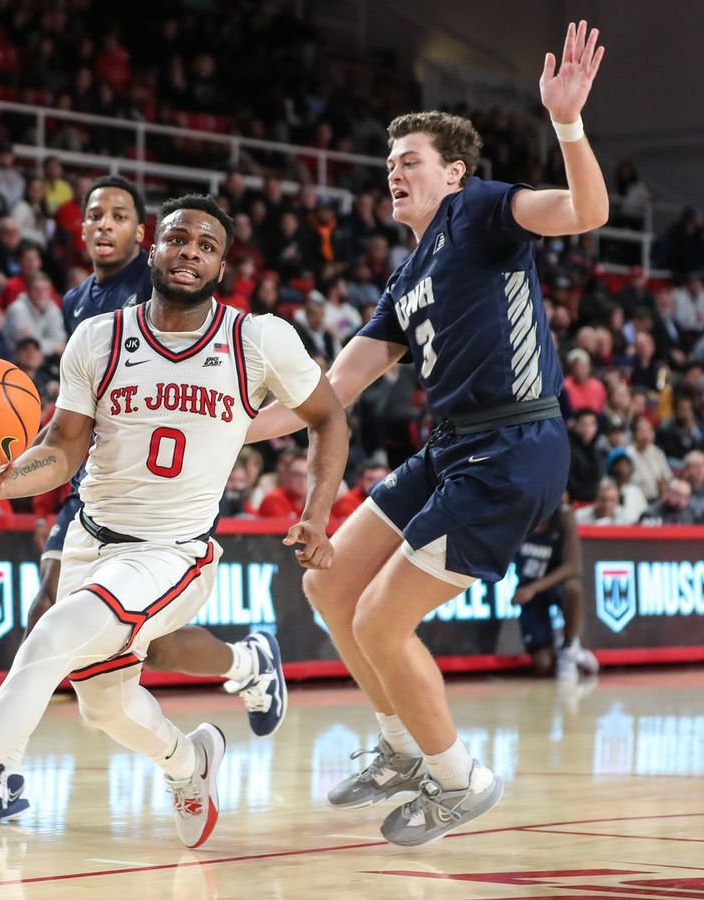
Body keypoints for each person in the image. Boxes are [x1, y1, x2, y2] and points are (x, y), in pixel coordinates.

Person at [0, 192, 347, 869]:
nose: (189, 252)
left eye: (205, 245)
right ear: (154, 249)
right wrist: (2, 480)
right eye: (177, 239)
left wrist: (316, 516)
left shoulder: (257, 340)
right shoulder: (99, 338)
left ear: (222, 266)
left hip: (172, 554)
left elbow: (329, 418)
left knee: (49, 635)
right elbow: (62, 449)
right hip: (91, 539)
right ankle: (190, 758)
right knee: (105, 708)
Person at [245, 21, 609, 845]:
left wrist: (567, 122)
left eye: (410, 161)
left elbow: (587, 210)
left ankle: (459, 779)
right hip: (453, 448)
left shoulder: (481, 212)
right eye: (390, 164)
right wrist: (228, 429)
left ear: (453, 172)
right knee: (329, 586)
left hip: (515, 447)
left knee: (379, 618)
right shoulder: (406, 275)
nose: (394, 173)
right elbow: (331, 390)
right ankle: (403, 749)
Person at [0, 177, 296, 829]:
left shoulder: (165, 282)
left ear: (145, 237)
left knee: (141, 647)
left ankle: (248, 662)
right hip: (93, 487)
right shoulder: (82, 300)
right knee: (51, 616)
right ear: (79, 230)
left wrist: (229, 428)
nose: (104, 225)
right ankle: (0, 775)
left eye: (119, 216)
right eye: (93, 215)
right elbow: (75, 418)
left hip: (165, 501)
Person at [511, 500, 598, 678]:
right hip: (529, 587)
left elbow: (574, 566)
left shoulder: (564, 514)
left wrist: (533, 588)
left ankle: (568, 646)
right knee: (543, 665)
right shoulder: (516, 513)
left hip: (554, 584)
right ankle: (566, 649)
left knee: (574, 586)